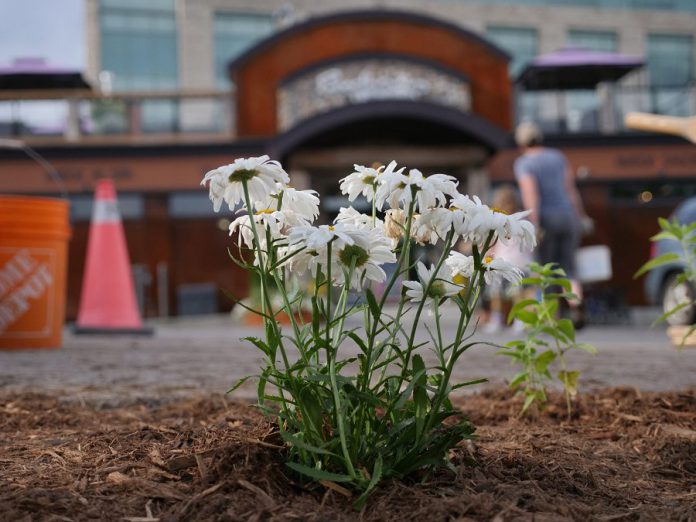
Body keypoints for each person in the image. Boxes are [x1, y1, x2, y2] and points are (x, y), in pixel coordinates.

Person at [513, 121, 592, 327]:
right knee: (569, 268)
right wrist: (581, 216)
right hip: (568, 217)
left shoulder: (524, 163)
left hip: (546, 219)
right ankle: (576, 307)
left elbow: (531, 194)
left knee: (544, 269)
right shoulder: (558, 157)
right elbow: (570, 190)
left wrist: (534, 223)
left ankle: (551, 315)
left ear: (521, 142)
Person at [483, 184, 534, 333]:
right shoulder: (522, 220)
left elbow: (491, 243)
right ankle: (517, 320)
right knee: (515, 295)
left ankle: (498, 320)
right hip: (519, 263)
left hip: (506, 263)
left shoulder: (498, 221)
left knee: (499, 295)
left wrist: (486, 255)